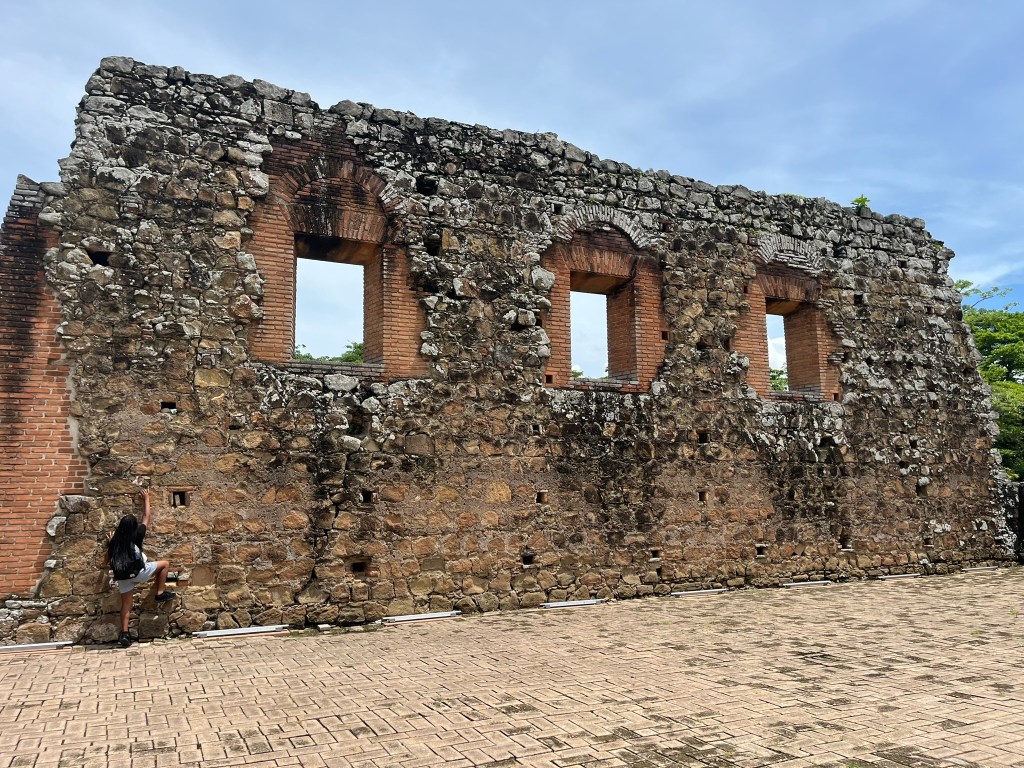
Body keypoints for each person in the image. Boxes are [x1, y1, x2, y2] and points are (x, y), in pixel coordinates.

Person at [107, 488, 175, 647]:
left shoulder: (114, 541)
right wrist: (147, 499)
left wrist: (110, 543)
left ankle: (124, 634)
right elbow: (146, 517)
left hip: (123, 577)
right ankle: (160, 593)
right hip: (139, 573)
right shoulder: (137, 534)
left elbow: (108, 557)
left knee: (126, 605)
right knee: (165, 564)